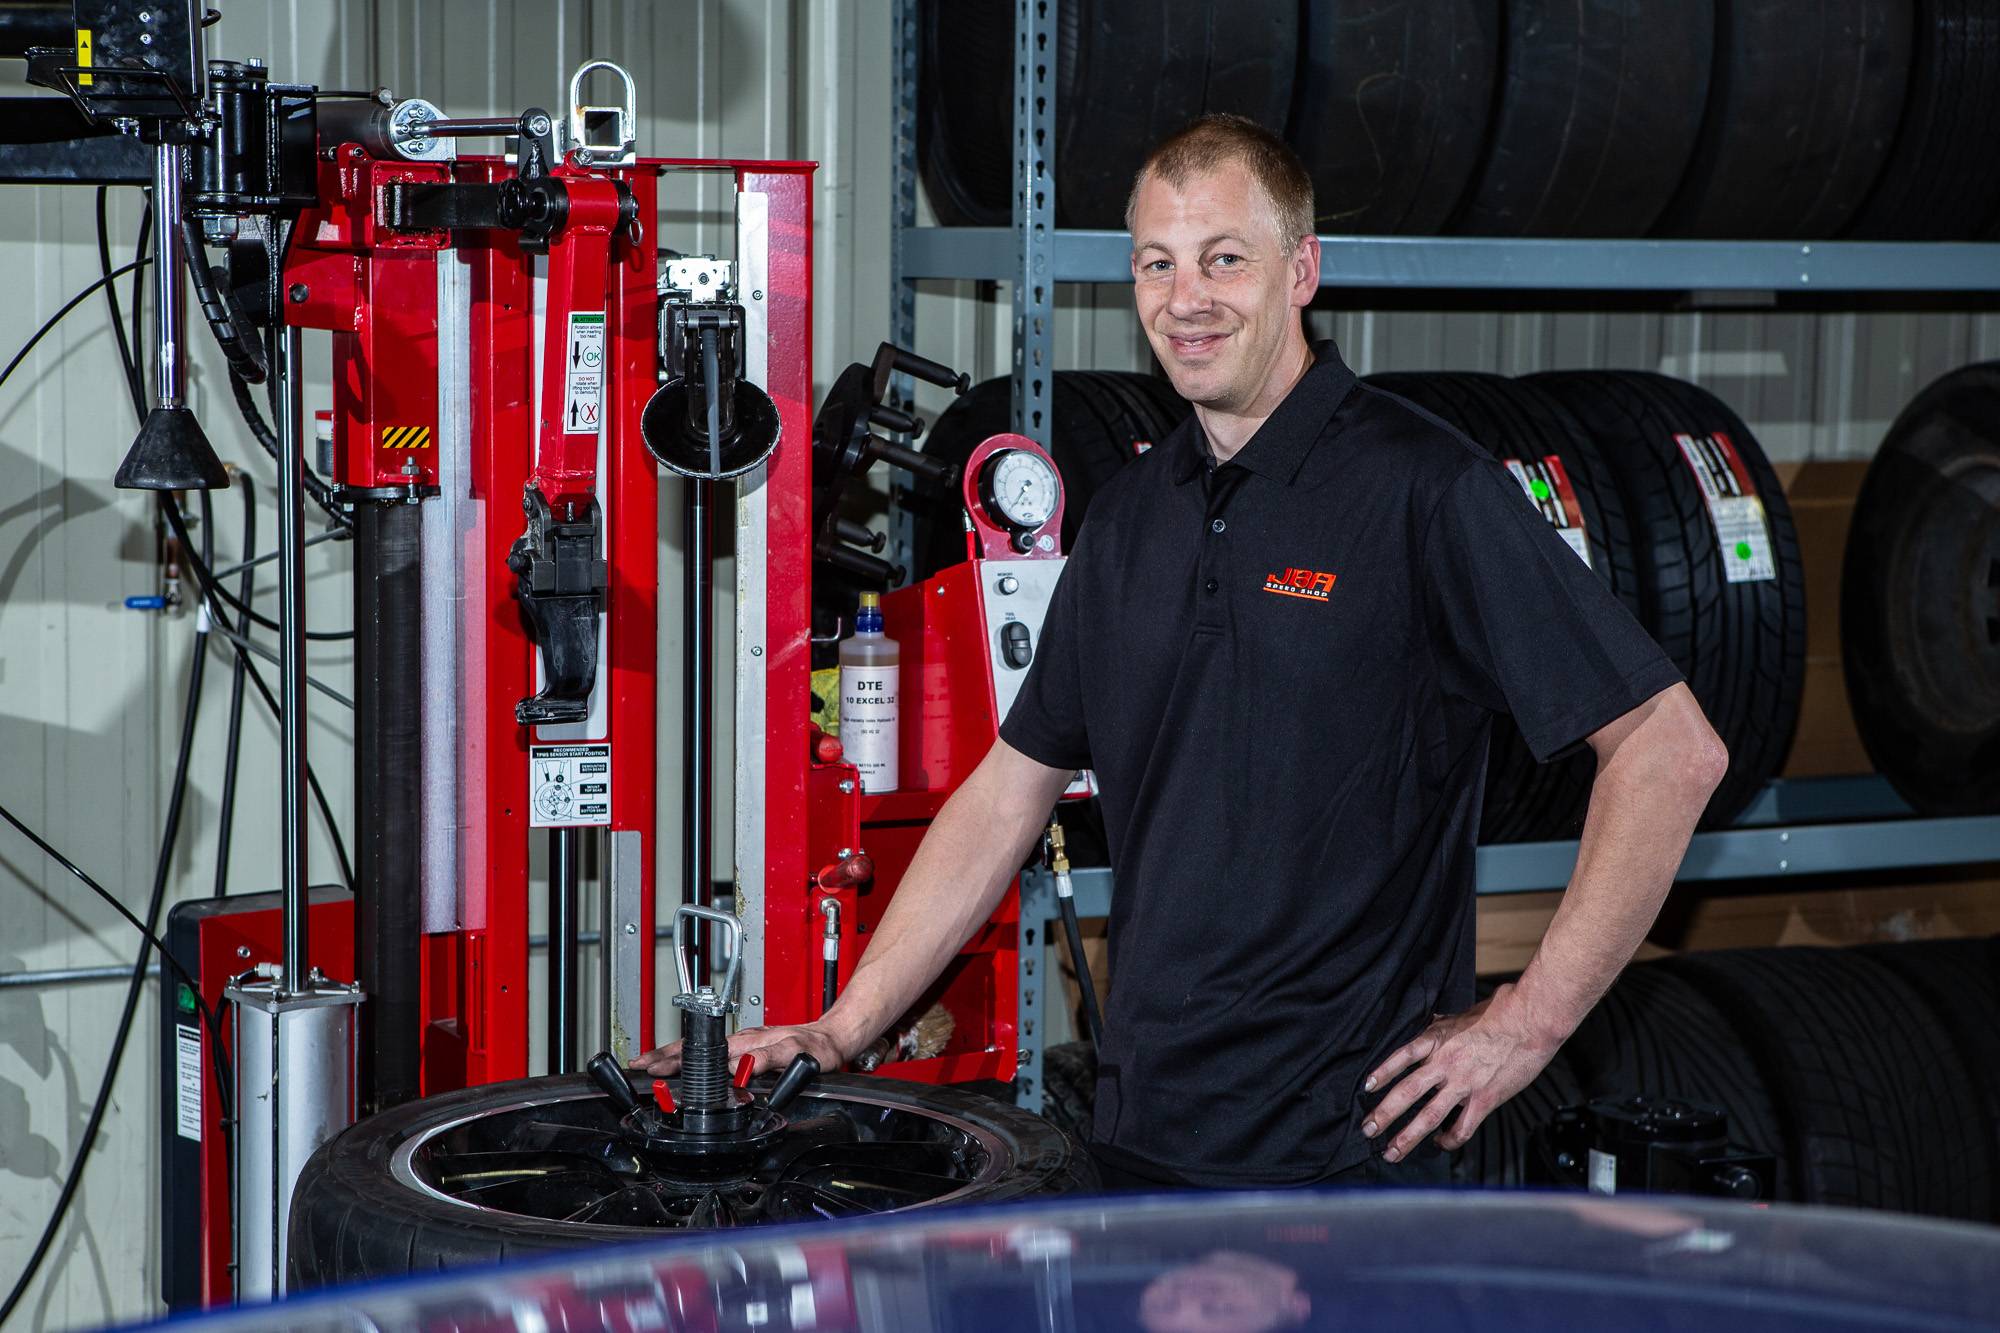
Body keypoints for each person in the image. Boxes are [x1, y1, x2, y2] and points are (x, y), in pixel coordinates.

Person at [637, 115, 1726, 1190]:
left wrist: (1525, 1025)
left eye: (1223, 259)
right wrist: (843, 1025)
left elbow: (1669, 750)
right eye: (1157, 263)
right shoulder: (1128, 516)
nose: (1185, 298)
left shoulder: (1423, 491)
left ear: (1301, 270)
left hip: (1344, 1159)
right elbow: (1009, 792)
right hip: (1144, 1132)